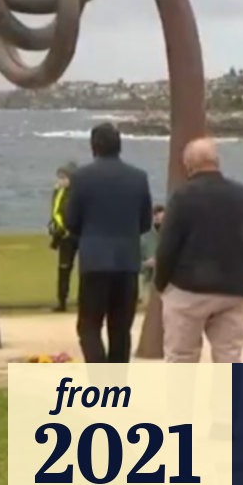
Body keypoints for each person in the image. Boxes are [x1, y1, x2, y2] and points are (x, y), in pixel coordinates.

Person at [154, 137, 243, 363]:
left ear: (189, 165)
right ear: (217, 162)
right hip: (233, 289)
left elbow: (167, 247)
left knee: (181, 356)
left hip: (188, 288)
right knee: (229, 357)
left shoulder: (182, 197)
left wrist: (161, 283)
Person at [63, 124, 152, 363]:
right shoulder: (138, 177)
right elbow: (145, 222)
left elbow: (71, 221)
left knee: (89, 326)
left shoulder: (81, 177)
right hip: (127, 262)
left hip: (95, 262)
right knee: (121, 329)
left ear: (94, 146)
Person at [48, 162, 79, 312]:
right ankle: (62, 301)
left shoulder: (77, 193)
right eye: (59, 177)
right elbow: (55, 213)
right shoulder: (58, 192)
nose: (60, 181)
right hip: (64, 237)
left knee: (83, 270)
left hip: (76, 235)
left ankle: (82, 300)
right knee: (63, 269)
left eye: (63, 177)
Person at [139, 204, 165, 354]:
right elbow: (136, 262)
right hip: (150, 282)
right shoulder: (144, 239)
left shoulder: (172, 235)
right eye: (156, 217)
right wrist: (146, 264)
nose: (159, 220)